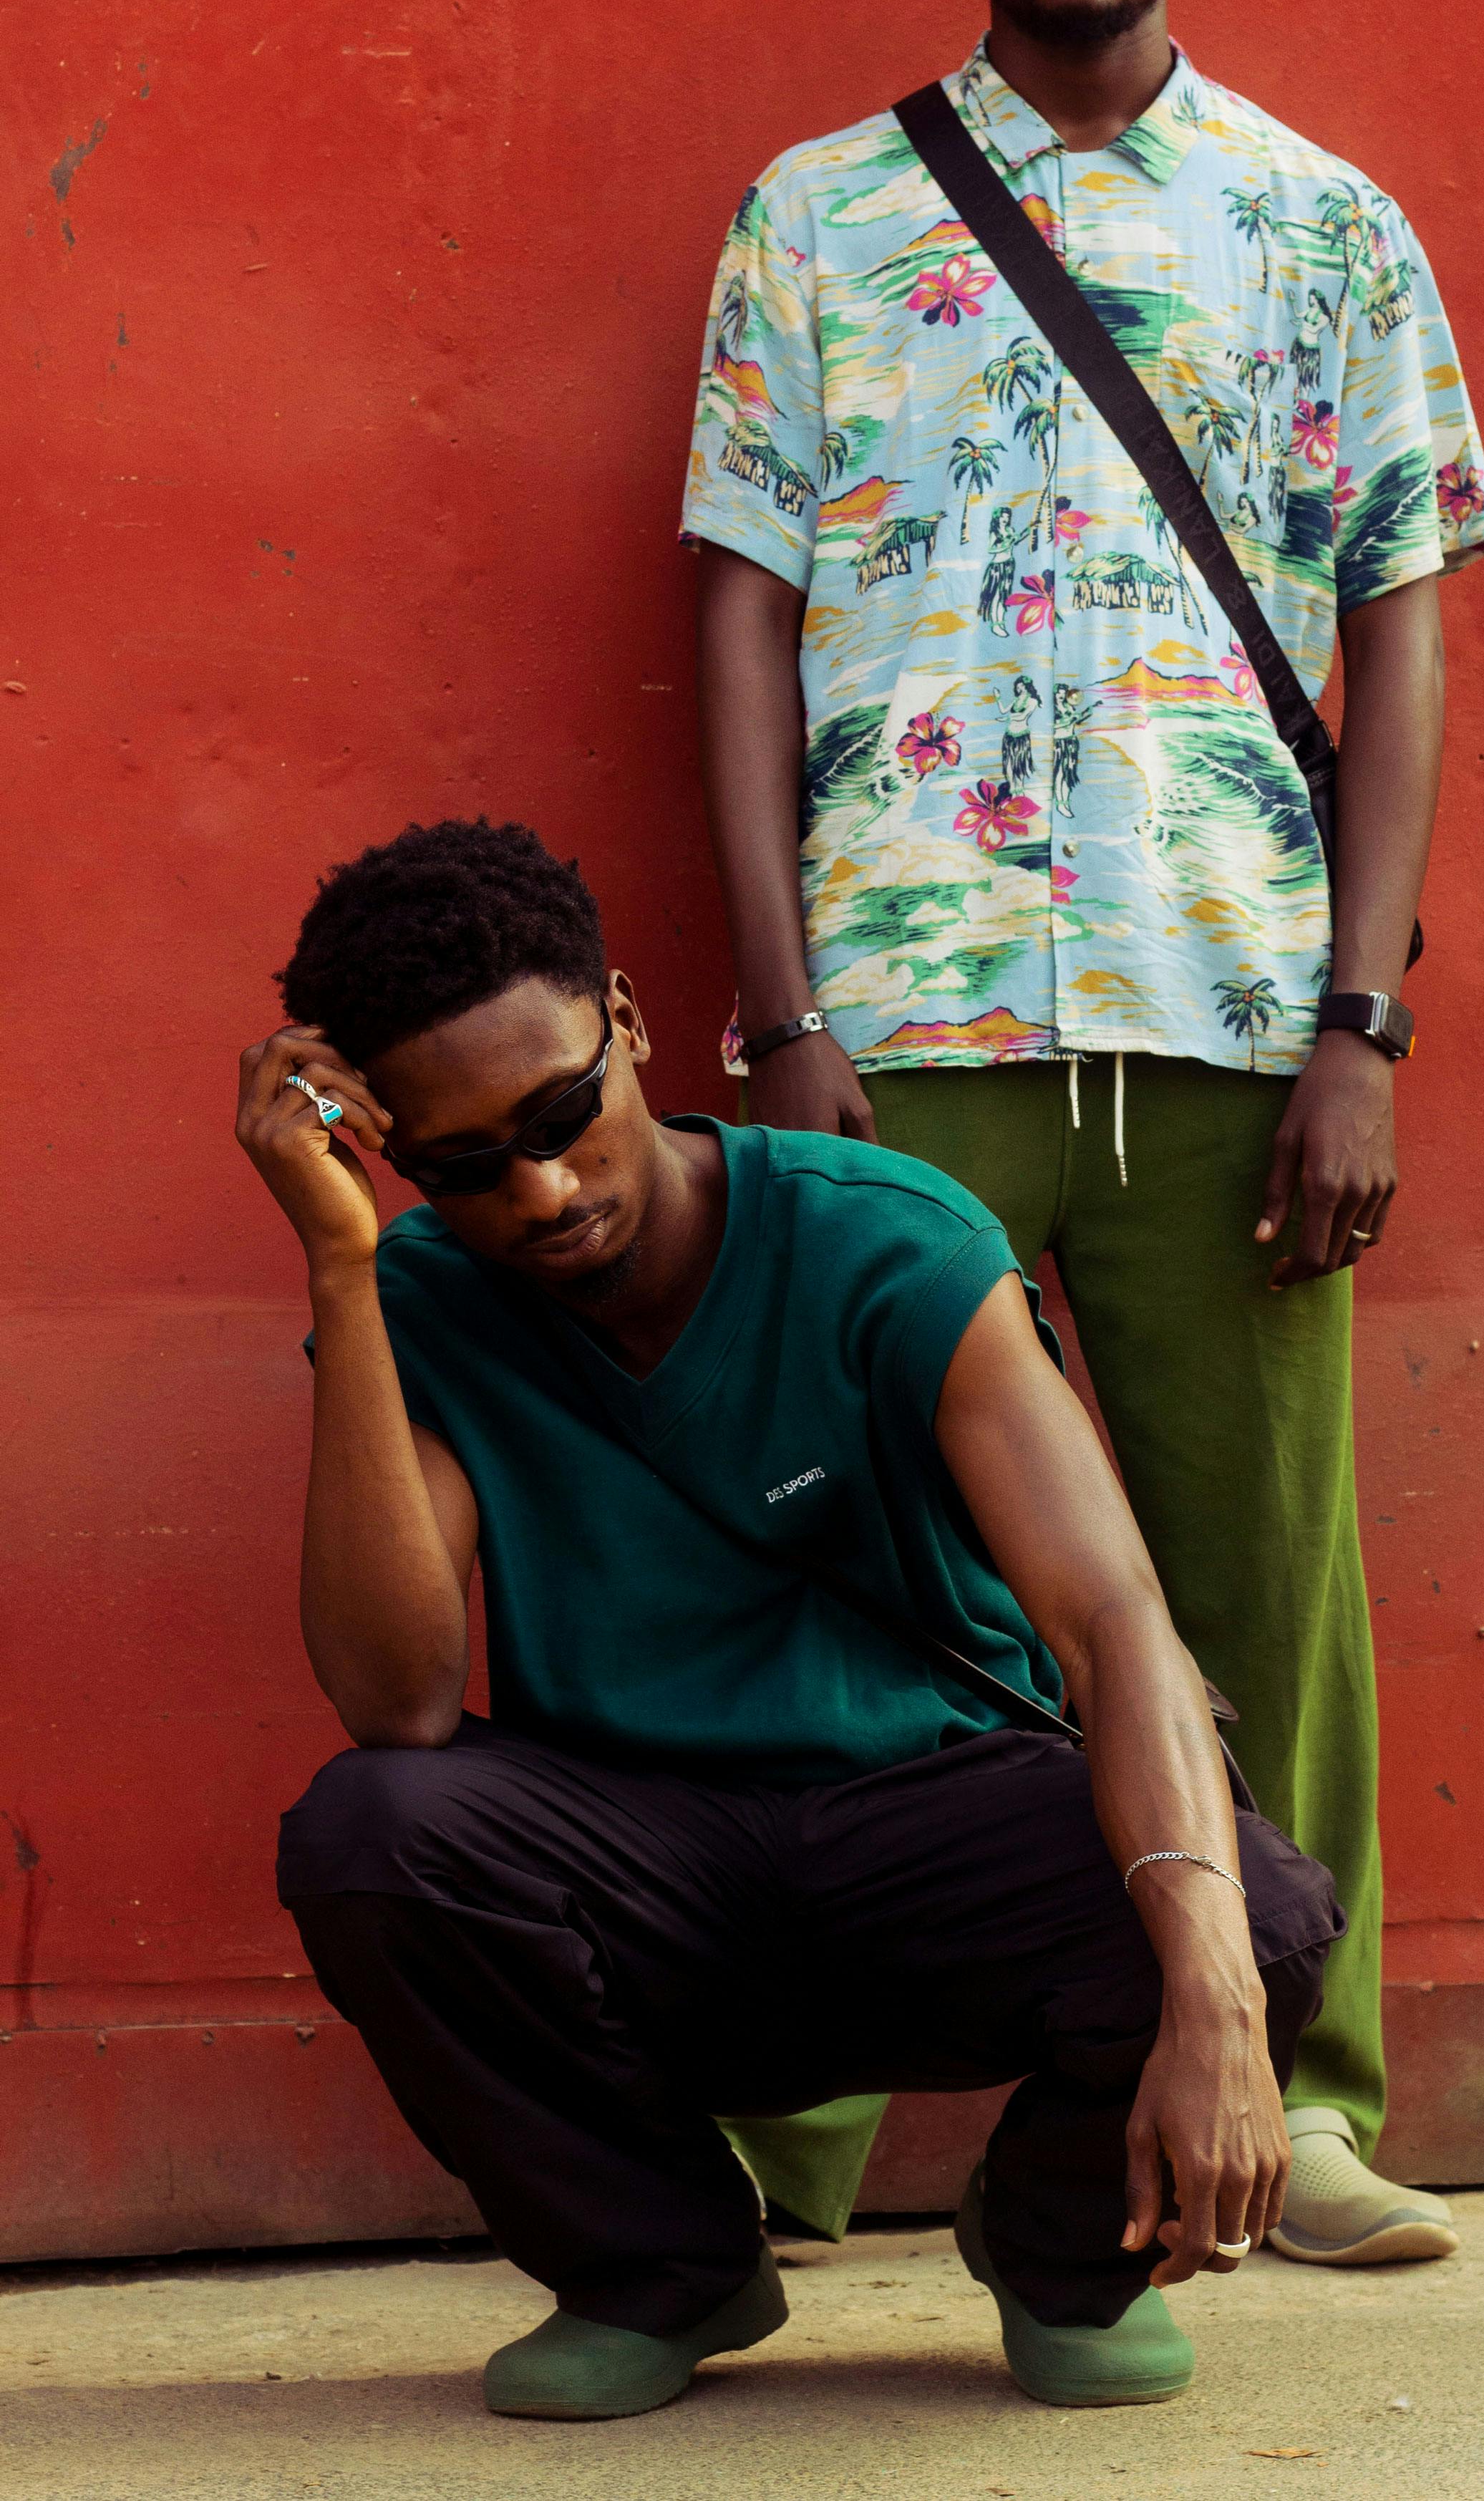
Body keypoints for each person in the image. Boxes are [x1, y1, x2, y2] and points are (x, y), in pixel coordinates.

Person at [689, 0, 1484, 2263]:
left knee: (1270, 1564)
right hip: (906, 1024)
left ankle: (1318, 2087)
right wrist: (785, 1011)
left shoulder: (1326, 227)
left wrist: (1361, 1023)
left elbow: (1401, 634)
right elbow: (738, 610)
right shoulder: (819, 219)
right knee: (851, 1558)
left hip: (1229, 1006)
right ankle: (789, 2125)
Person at [241, 818, 1340, 2423]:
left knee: (1268, 1915)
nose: (541, 1191)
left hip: (935, 1831)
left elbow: (1114, 1628)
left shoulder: (882, 1240)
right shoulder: (422, 1297)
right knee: (375, 1832)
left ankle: (1055, 2252)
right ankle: (664, 2270)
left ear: (626, 1020)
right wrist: (345, 1272)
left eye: (562, 1115)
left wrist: (1220, 2003)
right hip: (656, 1875)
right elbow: (398, 1704)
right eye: (465, 1163)